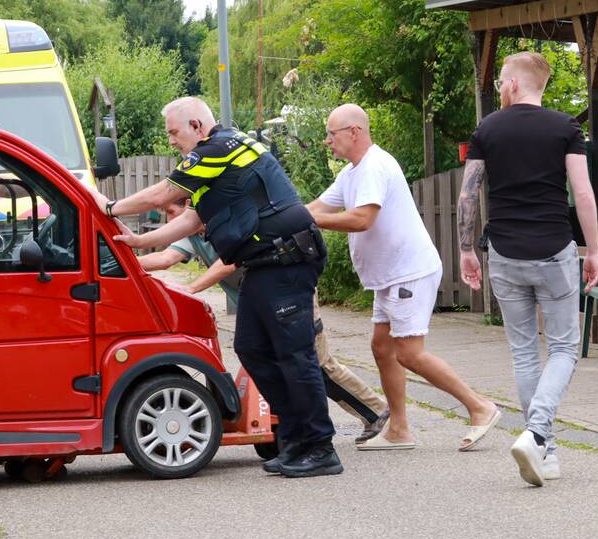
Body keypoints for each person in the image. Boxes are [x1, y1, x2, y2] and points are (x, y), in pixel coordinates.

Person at [110, 96, 341, 478]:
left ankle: (319, 446)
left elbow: (161, 195)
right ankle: (298, 440)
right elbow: (192, 219)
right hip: (262, 265)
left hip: (286, 262)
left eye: (174, 132)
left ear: (197, 126)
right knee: (250, 347)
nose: (171, 141)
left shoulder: (220, 147)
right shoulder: (216, 167)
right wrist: (139, 243)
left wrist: (110, 207)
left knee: (295, 357)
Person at [309, 104, 501, 453]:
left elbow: (362, 218)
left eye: (331, 134)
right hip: (390, 276)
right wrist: (278, 217)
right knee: (382, 348)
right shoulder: (352, 173)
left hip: (408, 272)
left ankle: (480, 407)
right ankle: (398, 429)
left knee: (409, 354)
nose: (327, 141)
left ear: (354, 132)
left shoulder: (375, 166)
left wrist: (313, 223)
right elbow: (317, 208)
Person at [458, 51, 598, 487]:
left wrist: (466, 249)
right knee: (563, 349)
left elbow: (468, 195)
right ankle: (538, 432)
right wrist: (593, 250)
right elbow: (583, 193)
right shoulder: (565, 128)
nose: (500, 86)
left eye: (502, 79)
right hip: (554, 250)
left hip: (504, 253)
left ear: (515, 84)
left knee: (523, 352)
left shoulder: (488, 129)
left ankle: (546, 451)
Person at [137, 198, 391, 445]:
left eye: (171, 211)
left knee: (318, 364)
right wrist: (125, 262)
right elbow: (165, 258)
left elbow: (228, 263)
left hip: (290, 291)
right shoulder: (194, 235)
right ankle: (298, 430)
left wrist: (193, 287)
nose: (168, 219)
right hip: (260, 305)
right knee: (275, 362)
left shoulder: (226, 222)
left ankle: (377, 413)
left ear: (190, 206)